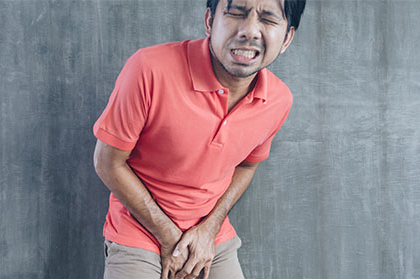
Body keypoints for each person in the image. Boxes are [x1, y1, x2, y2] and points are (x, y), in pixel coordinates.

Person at [93, 0, 306, 278]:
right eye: (236, 13)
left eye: (267, 19)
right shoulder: (148, 68)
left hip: (211, 236)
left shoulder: (279, 100)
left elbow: (247, 166)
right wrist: (171, 239)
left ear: (287, 37)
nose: (250, 31)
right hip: (139, 231)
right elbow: (107, 162)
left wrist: (209, 228)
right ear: (209, 21)